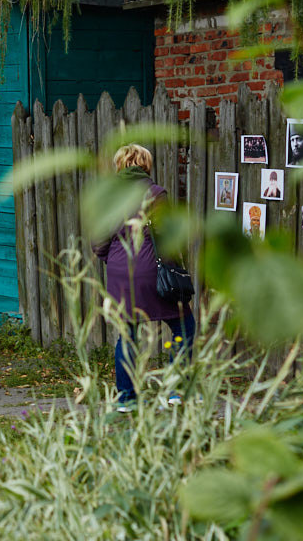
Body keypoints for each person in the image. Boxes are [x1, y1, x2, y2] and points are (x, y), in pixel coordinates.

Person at [92, 144, 195, 411]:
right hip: (152, 269)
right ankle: (175, 391)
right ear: (145, 164)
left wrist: (114, 260)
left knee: (127, 334)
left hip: (118, 272)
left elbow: (98, 242)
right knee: (184, 327)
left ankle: (127, 399)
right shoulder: (156, 194)